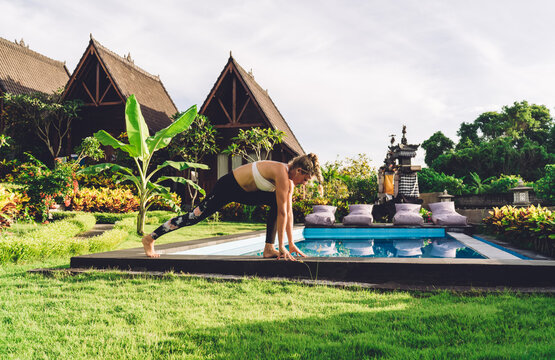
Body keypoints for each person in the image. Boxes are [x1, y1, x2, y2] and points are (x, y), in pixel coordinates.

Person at [141, 153, 323, 261]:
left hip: (244, 193)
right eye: (305, 179)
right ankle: (150, 238)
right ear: (299, 170)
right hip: (227, 187)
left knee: (277, 203)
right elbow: (283, 212)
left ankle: (269, 248)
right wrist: (282, 246)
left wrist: (290, 244)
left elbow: (288, 212)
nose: (304, 184)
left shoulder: (289, 183)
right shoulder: (281, 173)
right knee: (193, 217)